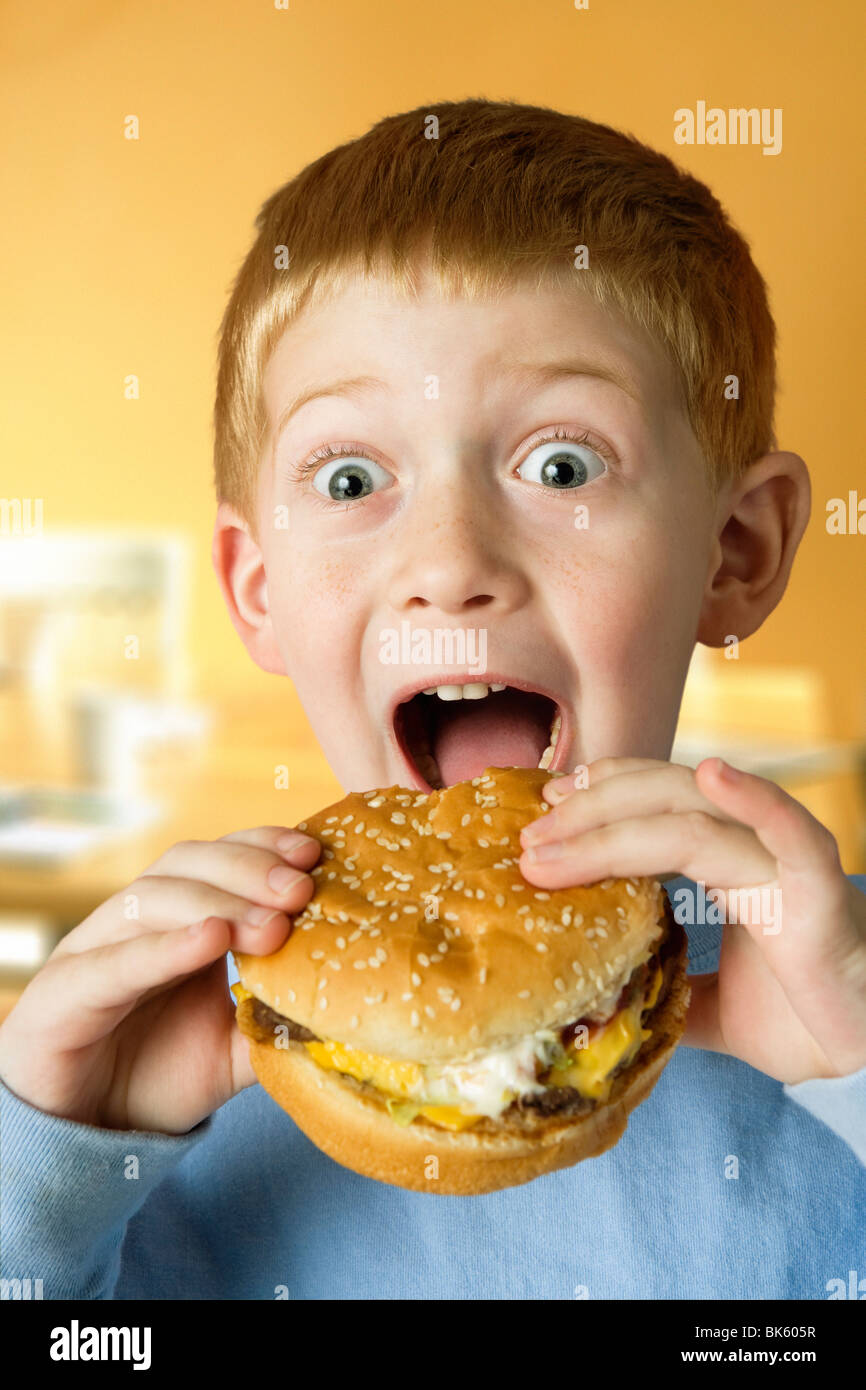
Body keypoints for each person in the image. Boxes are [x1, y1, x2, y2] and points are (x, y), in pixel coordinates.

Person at [2, 99, 864, 1301]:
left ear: (734, 549)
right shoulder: (156, 1063)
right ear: (258, 590)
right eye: (353, 476)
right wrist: (48, 1169)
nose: (450, 560)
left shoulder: (839, 981)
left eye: (561, 464)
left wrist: (855, 1066)